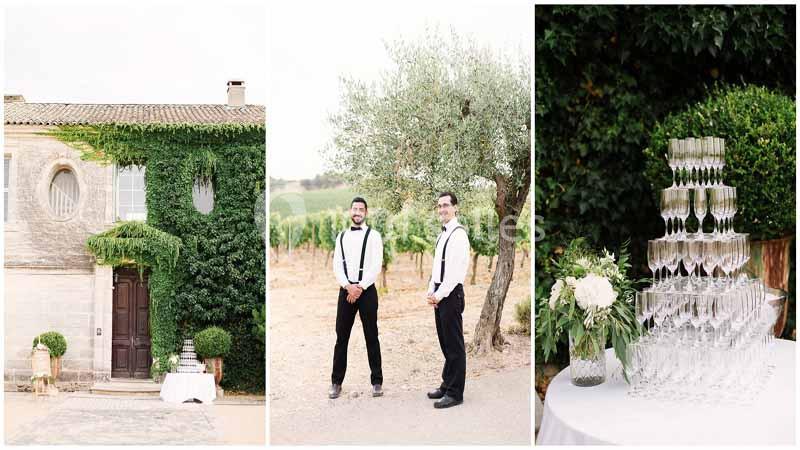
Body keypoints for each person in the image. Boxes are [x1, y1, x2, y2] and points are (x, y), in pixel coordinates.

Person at [329, 197, 384, 399]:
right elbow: (336, 265)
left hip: (366, 290)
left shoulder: (374, 236)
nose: (357, 212)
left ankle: (377, 382)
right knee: (341, 337)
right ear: (350, 211)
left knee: (372, 336)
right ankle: (336, 382)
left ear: (366, 213)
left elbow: (376, 265)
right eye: (354, 209)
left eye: (361, 209)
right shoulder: (341, 237)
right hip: (346, 290)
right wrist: (347, 286)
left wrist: (359, 287)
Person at [426, 191, 470, 409]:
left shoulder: (459, 235)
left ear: (455, 207)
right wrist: (430, 291)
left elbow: (453, 273)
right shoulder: (442, 234)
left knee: (454, 345)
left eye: (446, 205)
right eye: (439, 205)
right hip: (440, 294)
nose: (442, 209)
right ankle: (447, 384)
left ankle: (455, 393)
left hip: (451, 295)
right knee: (445, 343)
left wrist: (439, 294)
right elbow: (437, 268)